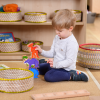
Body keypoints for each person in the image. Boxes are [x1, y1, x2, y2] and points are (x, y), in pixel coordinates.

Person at [34, 9, 89, 82]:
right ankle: (45, 62)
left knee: (48, 76)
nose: (57, 32)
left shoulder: (71, 43)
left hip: (65, 69)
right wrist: (41, 51)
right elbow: (53, 53)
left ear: (70, 28)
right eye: (55, 29)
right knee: (37, 68)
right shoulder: (57, 37)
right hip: (55, 65)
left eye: (60, 31)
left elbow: (69, 61)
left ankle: (72, 75)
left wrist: (55, 64)